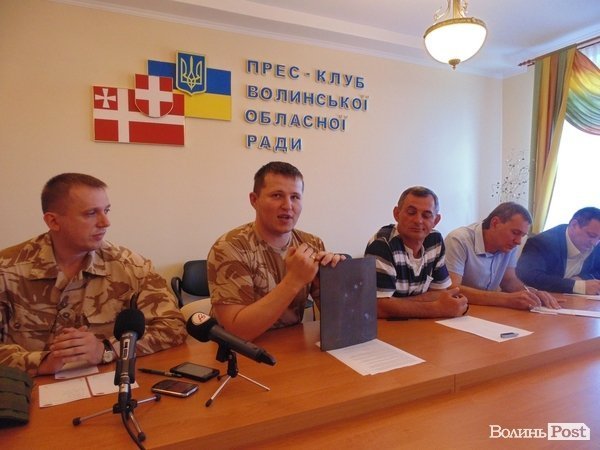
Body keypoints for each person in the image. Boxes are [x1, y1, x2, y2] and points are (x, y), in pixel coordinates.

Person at [0, 173, 186, 376]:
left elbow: (173, 327)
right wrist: (41, 362)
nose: (105, 222)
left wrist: (107, 350)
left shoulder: (131, 266)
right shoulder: (6, 269)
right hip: (26, 387)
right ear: (53, 221)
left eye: (106, 210)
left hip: (106, 384)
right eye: (90, 213)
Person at [207, 162, 343, 341]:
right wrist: (295, 280)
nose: (288, 205)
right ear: (254, 200)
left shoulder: (311, 244)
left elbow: (341, 318)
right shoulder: (230, 247)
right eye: (277, 195)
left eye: (295, 197)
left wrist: (335, 280)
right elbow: (236, 332)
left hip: (290, 344)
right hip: (238, 350)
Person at [364, 186, 468, 319]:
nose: (418, 220)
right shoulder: (382, 244)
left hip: (419, 323)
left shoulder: (435, 241)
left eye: (426, 215)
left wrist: (396, 304)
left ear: (436, 220)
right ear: (397, 214)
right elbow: (378, 307)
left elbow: (440, 292)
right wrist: (437, 309)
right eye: (411, 212)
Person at [445, 202, 559, 310]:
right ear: (495, 223)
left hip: (487, 311)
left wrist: (532, 294)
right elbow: (452, 289)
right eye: (515, 232)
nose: (518, 241)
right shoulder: (459, 239)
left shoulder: (509, 244)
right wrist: (506, 299)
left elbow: (509, 280)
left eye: (522, 235)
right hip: (460, 311)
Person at [516, 207, 600, 294]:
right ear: (574, 225)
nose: (594, 243)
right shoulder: (541, 242)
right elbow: (529, 276)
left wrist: (582, 278)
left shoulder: (597, 245)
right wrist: (578, 286)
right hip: (545, 298)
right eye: (591, 235)